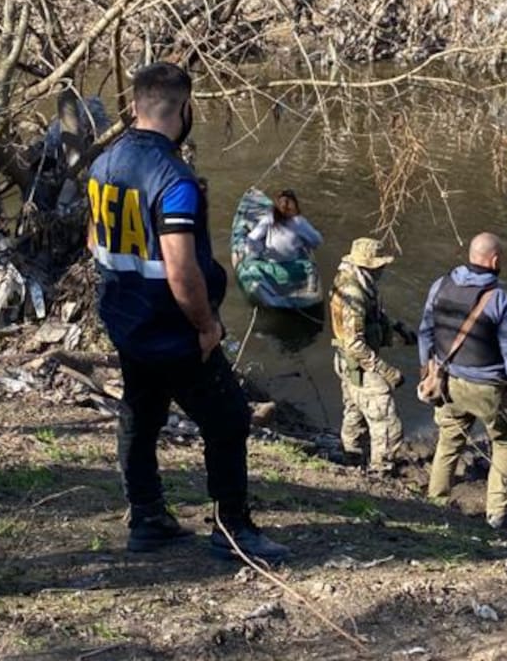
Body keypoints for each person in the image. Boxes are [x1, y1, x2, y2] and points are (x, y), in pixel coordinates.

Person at [88, 62, 289, 563]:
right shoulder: (174, 179)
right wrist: (206, 325)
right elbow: (181, 269)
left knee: (141, 414)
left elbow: (95, 242)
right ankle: (232, 529)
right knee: (228, 421)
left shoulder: (102, 164)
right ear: (184, 109)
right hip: (172, 327)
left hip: (127, 318)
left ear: (133, 106)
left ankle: (148, 518)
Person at [419, 233, 507, 530]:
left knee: (449, 441)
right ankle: (497, 513)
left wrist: (427, 371)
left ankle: (436, 502)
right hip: (489, 389)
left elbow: (425, 334)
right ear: (495, 261)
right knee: (505, 442)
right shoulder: (499, 298)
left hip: (448, 381)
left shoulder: (439, 285)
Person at [329, 237, 414, 473]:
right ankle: (381, 471)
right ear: (369, 266)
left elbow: (373, 315)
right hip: (359, 364)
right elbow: (355, 344)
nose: (383, 269)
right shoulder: (353, 293)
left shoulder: (357, 282)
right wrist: (386, 371)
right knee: (387, 422)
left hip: (348, 363)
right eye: (380, 265)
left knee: (355, 411)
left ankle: (352, 459)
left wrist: (397, 327)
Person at [246, 188, 323, 262]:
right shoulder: (299, 222)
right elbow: (317, 241)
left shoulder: (269, 218)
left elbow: (252, 239)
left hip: (271, 260)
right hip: (291, 260)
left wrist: (258, 251)